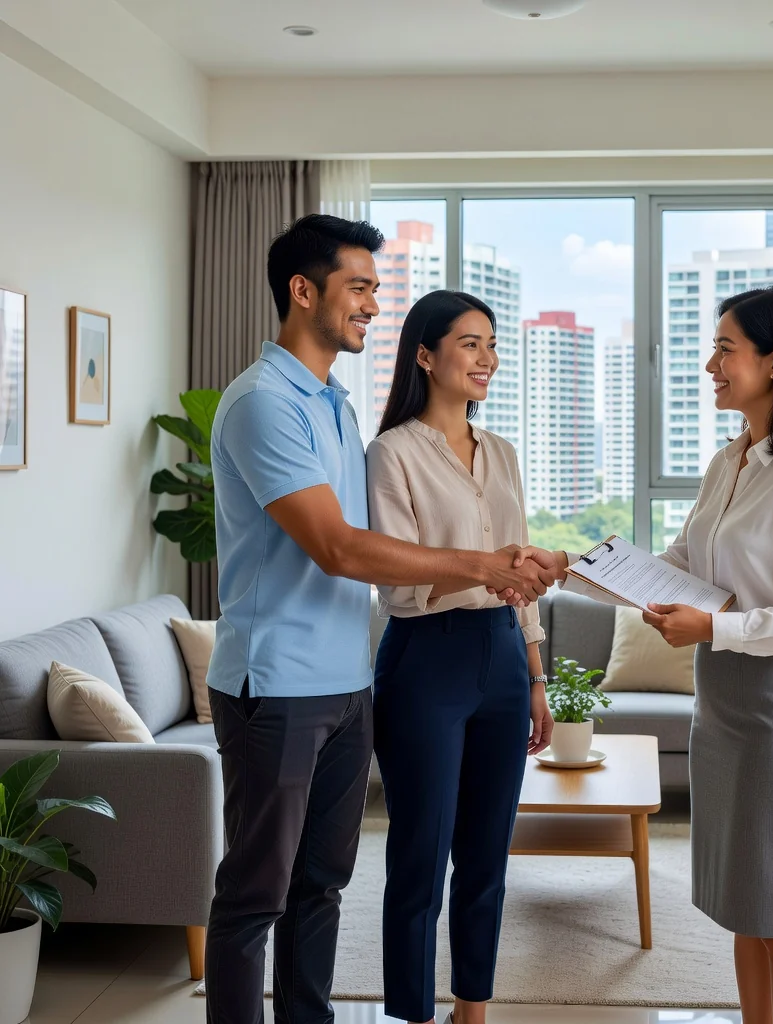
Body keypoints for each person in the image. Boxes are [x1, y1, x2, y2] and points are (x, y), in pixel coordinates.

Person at [203, 216, 555, 1024]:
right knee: (257, 894)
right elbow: (336, 546)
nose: (370, 304)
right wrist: (481, 565)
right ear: (303, 291)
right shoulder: (263, 404)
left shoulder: (332, 404)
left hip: (346, 683)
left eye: (372, 288)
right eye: (357, 287)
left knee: (320, 888)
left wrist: (525, 630)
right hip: (276, 682)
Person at [639, 286, 773, 1024]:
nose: (710, 364)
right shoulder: (729, 461)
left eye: (724, 349)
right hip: (722, 711)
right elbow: (687, 560)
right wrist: (587, 570)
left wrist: (713, 630)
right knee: (744, 909)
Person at [364, 290, 556, 1024]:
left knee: (486, 857)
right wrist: (486, 568)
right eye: (470, 344)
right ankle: (412, 1012)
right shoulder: (391, 453)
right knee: (418, 859)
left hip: (503, 660)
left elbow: (521, 574)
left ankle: (471, 1010)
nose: (487, 358)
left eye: (492, 344)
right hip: (425, 662)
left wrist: (535, 674)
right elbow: (399, 581)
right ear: (425, 354)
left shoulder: (501, 452)